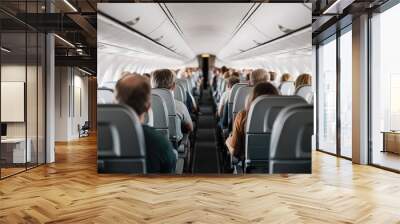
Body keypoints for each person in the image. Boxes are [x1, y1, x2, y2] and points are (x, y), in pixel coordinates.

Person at [115, 74, 177, 173]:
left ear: (115, 103)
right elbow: (169, 171)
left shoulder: (102, 136)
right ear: (148, 107)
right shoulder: (159, 142)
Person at [225, 82, 279, 159]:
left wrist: (227, 141)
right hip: (279, 168)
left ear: (252, 98)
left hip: (252, 168)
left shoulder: (243, 115)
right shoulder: (284, 118)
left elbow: (235, 152)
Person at [151, 69, 194, 138]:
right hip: (173, 146)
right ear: (174, 86)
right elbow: (190, 128)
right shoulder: (179, 106)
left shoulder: (145, 108)